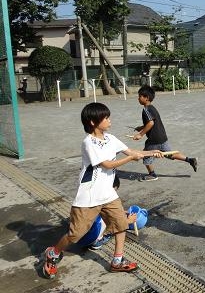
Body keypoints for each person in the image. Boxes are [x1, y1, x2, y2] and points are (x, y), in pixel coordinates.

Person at [43, 102, 166, 279]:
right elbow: (107, 164)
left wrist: (151, 152)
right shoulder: (88, 143)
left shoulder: (111, 138)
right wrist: (131, 158)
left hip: (108, 194)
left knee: (121, 224)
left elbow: (131, 151)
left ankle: (117, 261)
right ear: (93, 122)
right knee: (75, 234)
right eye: (105, 117)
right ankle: (53, 253)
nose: (109, 120)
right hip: (89, 196)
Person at [133, 85, 198, 181]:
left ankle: (152, 175)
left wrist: (141, 134)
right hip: (162, 137)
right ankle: (190, 160)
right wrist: (141, 127)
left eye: (140, 96)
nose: (138, 98)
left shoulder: (146, 109)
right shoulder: (152, 108)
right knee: (169, 154)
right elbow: (151, 123)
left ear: (146, 98)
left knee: (146, 157)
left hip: (153, 140)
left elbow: (151, 123)